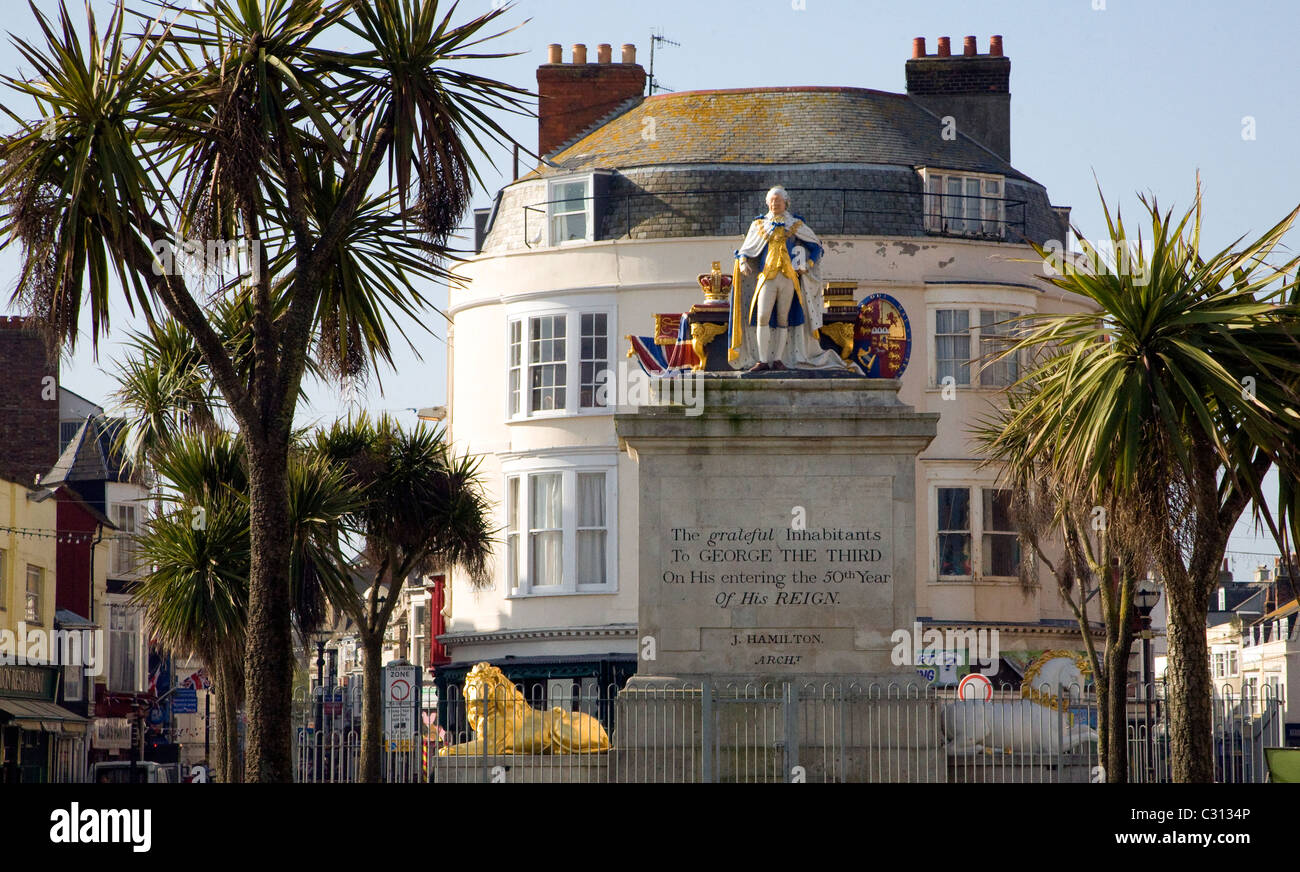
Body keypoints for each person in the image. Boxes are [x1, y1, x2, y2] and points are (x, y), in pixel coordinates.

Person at [728, 186, 848, 372]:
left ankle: (777, 359)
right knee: (762, 316)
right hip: (767, 276)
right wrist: (743, 262)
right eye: (772, 201)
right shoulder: (759, 225)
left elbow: (816, 246)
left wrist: (808, 265)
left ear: (786, 202)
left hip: (788, 278)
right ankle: (762, 360)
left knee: (784, 318)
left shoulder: (795, 224)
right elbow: (745, 249)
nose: (775, 204)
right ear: (767, 203)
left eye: (779, 201)